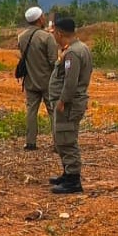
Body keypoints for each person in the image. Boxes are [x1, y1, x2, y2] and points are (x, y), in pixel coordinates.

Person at [45, 17, 92, 195]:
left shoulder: (72, 53)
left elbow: (70, 82)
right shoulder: (80, 48)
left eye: (54, 33)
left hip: (69, 104)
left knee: (67, 140)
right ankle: (67, 173)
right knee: (62, 139)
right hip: (71, 102)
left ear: (59, 33)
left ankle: (73, 180)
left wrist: (63, 101)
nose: (53, 36)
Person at [18, 6, 58, 151]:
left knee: (31, 111)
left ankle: (30, 142)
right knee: (53, 112)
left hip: (30, 81)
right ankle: (57, 143)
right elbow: (54, 62)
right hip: (48, 82)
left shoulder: (21, 37)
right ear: (40, 19)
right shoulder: (47, 37)